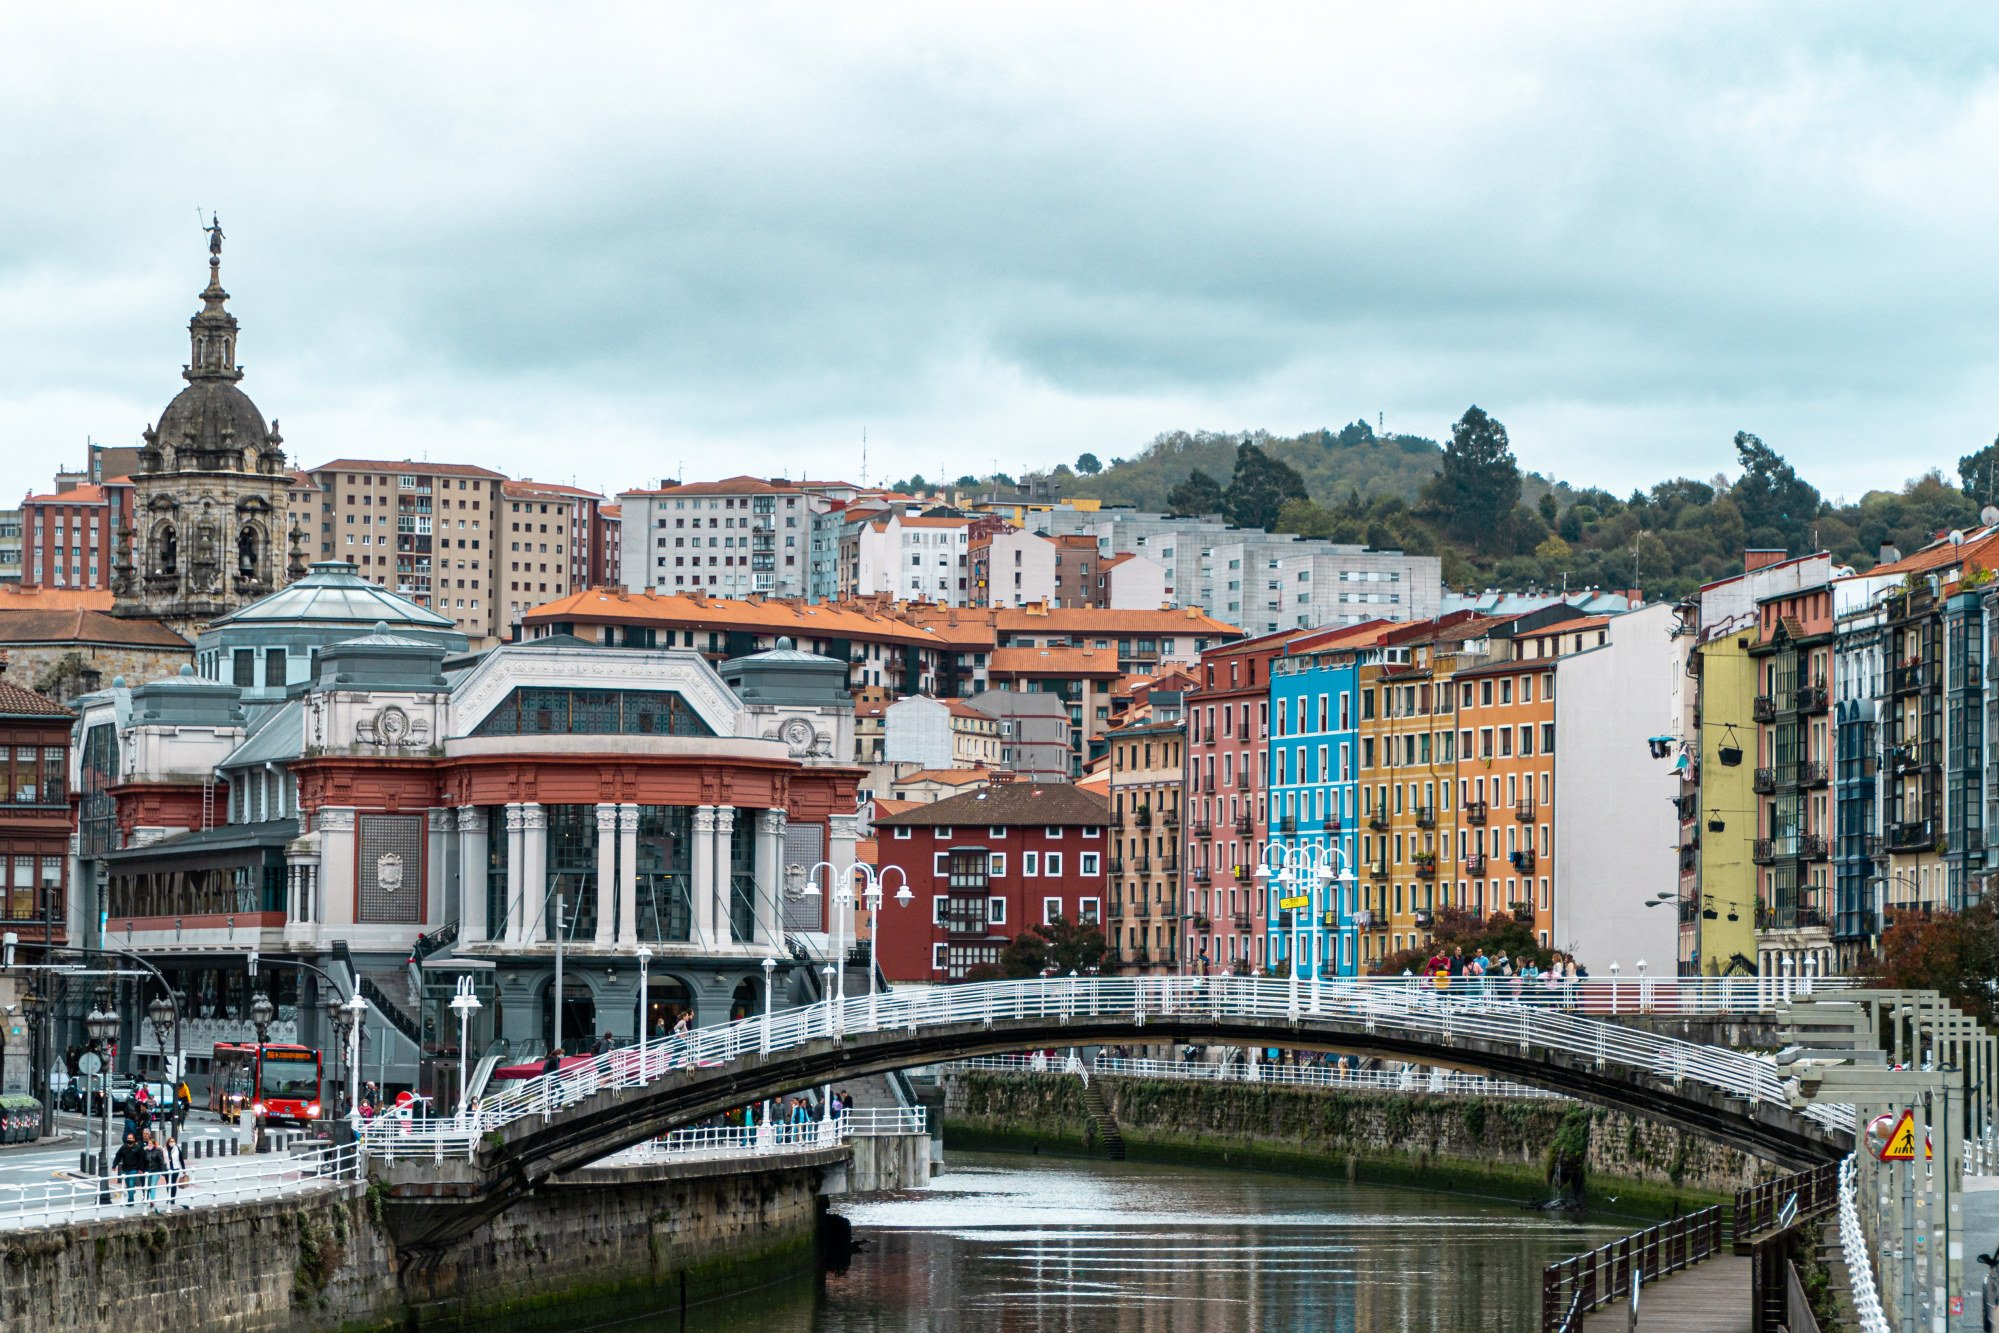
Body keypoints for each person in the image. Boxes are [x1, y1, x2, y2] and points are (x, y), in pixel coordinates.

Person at [113, 1132, 147, 1204]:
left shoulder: (137, 1148)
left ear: (134, 1139)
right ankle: (132, 1191)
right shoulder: (123, 1147)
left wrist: (140, 1168)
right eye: (128, 1138)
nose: (129, 1139)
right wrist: (114, 1165)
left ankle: (130, 1201)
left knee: (131, 1183)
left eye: (131, 1138)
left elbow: (141, 1158)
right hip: (125, 1169)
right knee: (128, 1185)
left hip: (133, 1169)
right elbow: (118, 1156)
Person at [142, 1131, 167, 1209]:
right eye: (149, 1143)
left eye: (151, 1144)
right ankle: (149, 1199)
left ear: (154, 1144)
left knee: (153, 1186)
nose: (149, 1145)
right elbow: (143, 1161)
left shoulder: (158, 1151)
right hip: (148, 1171)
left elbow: (161, 1161)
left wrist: (163, 1171)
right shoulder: (145, 1151)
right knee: (148, 1186)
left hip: (156, 1171)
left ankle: (152, 1201)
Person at [162, 1135, 186, 1208]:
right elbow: (162, 1159)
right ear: (168, 1142)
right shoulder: (165, 1149)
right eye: (170, 1141)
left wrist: (184, 1169)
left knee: (173, 1183)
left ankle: (172, 1198)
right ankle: (169, 1196)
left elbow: (181, 1159)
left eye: (173, 1141)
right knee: (168, 1184)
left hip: (175, 1168)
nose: (172, 1142)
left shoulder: (177, 1149)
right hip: (167, 1169)